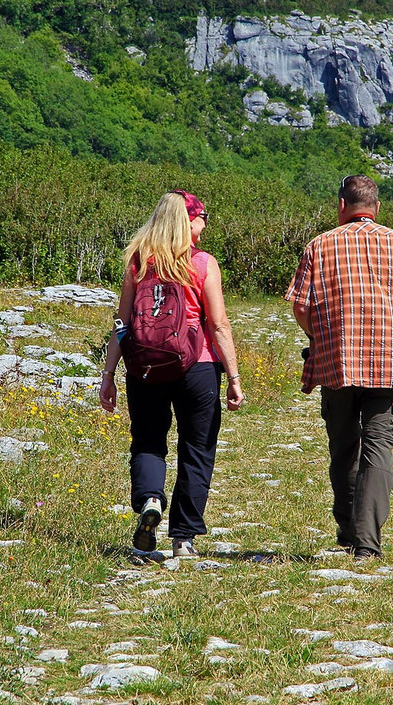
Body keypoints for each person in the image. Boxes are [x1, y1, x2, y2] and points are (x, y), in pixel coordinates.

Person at [286, 175, 393, 562]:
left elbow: (300, 306)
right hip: (388, 360)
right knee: (378, 447)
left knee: (342, 446)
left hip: (335, 359)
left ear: (342, 206)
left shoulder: (319, 245)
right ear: (376, 208)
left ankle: (347, 527)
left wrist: (319, 335)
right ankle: (367, 543)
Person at [100, 191, 244, 559]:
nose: (205, 224)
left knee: (148, 439)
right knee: (197, 449)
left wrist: (109, 374)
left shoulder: (138, 262)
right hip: (198, 366)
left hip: (144, 366)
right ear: (188, 220)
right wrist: (234, 377)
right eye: (202, 217)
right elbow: (219, 324)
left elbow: (123, 321)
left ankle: (150, 499)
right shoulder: (202, 263)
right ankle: (183, 539)